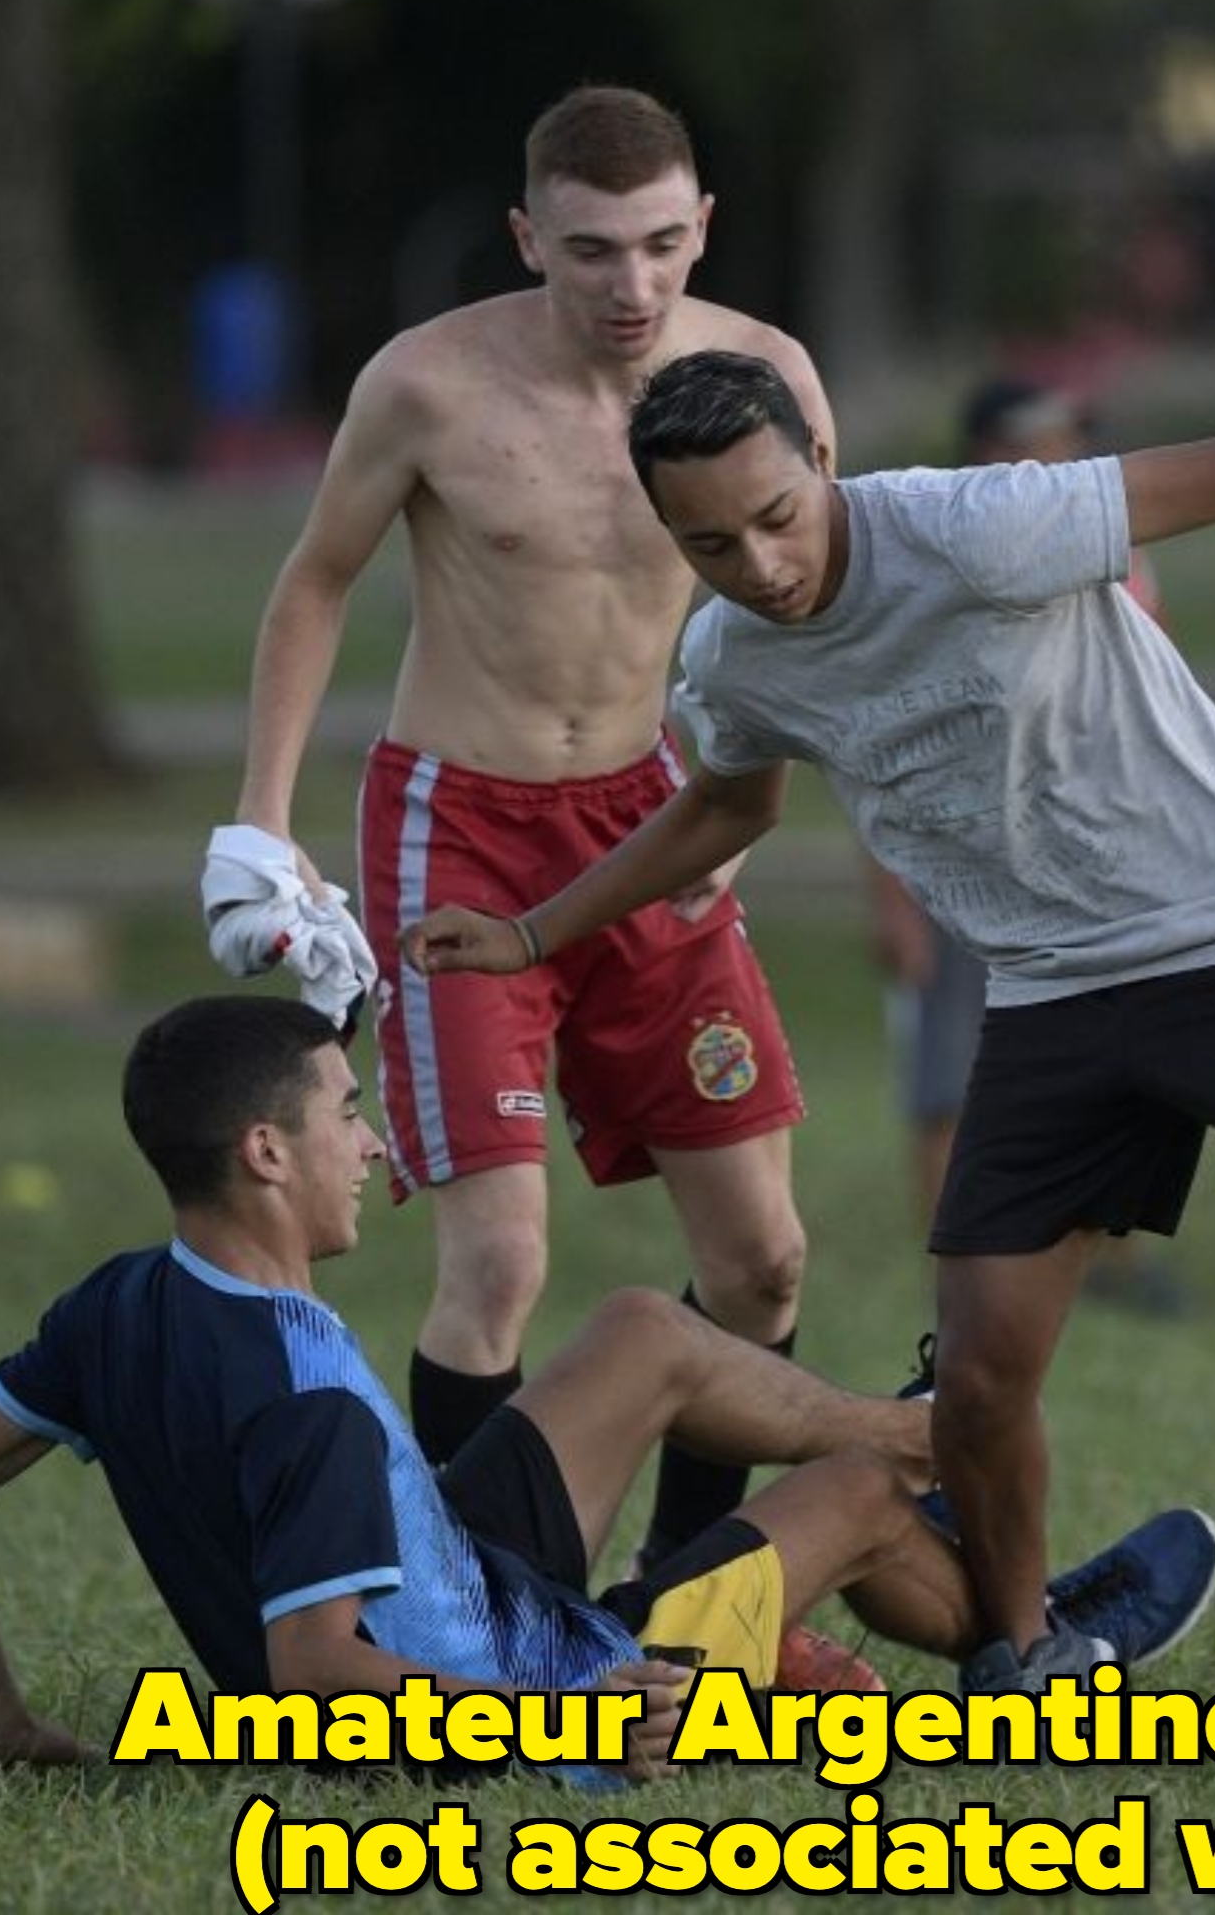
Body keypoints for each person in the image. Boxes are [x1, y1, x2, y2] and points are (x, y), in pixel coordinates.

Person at [403, 351, 1215, 1690]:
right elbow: (728, 807)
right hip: (1057, 986)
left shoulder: (977, 528)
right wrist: (536, 931)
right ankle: (1023, 1650)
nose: (762, 564)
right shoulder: (732, 659)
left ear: (821, 467)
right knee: (981, 1370)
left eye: (778, 515)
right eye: (711, 542)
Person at [0, 997, 1215, 1781]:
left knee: (644, 1330)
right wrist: (571, 1710)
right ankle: (1035, 1649)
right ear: (264, 1153)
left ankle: (925, 1455)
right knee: (859, 1498)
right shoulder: (301, 1397)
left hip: (465, 1573)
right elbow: (314, 1672)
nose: (367, 1142)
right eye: (344, 1113)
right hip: (548, 1684)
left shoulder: (116, 1302)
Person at [211, 86, 838, 1621]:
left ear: (706, 228)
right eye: (590, 252)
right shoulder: (428, 386)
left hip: (659, 820)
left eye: (661, 246)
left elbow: (809, 608)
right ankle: (484, 1623)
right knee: (498, 1266)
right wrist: (260, 824)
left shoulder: (765, 376)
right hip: (461, 836)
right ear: (525, 239)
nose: (631, 287)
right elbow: (315, 585)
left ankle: (679, 1597)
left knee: (760, 1262)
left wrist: (737, 818)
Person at [870, 377, 1186, 1316]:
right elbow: (878, 741)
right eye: (1040, 440)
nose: (1061, 457)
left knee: (1124, 1060)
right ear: (987, 454)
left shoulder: (1119, 554)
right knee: (950, 1072)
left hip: (1101, 852)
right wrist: (890, 896)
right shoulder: (932, 564)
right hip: (966, 850)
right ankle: (956, 1268)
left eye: (1067, 439)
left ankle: (1110, 1261)